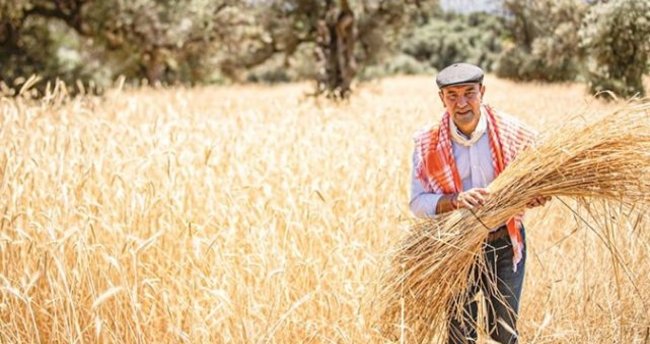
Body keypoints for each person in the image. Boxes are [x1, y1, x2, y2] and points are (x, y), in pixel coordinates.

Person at [409, 63, 549, 344]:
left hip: (505, 244)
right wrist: (455, 201)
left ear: (482, 92)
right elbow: (416, 203)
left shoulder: (514, 133)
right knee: (460, 334)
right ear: (441, 98)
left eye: (469, 93)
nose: (461, 103)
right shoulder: (426, 142)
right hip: (455, 248)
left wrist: (537, 195)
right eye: (452, 95)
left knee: (505, 333)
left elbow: (539, 182)